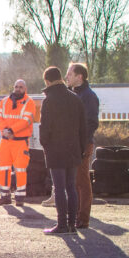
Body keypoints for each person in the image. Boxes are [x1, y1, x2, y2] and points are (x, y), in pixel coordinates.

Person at [38, 66, 87, 234]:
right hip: (73, 149)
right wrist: (81, 149)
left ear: (47, 81)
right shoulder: (75, 99)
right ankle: (72, 224)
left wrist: (46, 146)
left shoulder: (49, 101)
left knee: (59, 188)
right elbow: (83, 128)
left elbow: (44, 129)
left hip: (55, 150)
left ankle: (62, 225)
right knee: (71, 187)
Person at [0, 79, 39, 206]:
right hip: (6, 141)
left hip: (20, 142)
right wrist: (5, 130)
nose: (18, 89)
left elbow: (27, 121)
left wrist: (12, 130)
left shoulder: (29, 102)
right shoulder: (5, 101)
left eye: (21, 87)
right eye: (16, 86)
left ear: (25, 89)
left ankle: (20, 198)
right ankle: (4, 196)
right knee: (3, 168)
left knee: (20, 169)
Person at [66, 62, 99, 228]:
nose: (66, 77)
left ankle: (83, 218)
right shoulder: (73, 94)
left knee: (82, 181)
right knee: (74, 181)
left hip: (83, 145)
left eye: (70, 74)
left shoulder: (88, 96)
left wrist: (81, 143)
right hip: (73, 144)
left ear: (79, 76)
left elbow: (92, 122)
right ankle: (76, 215)